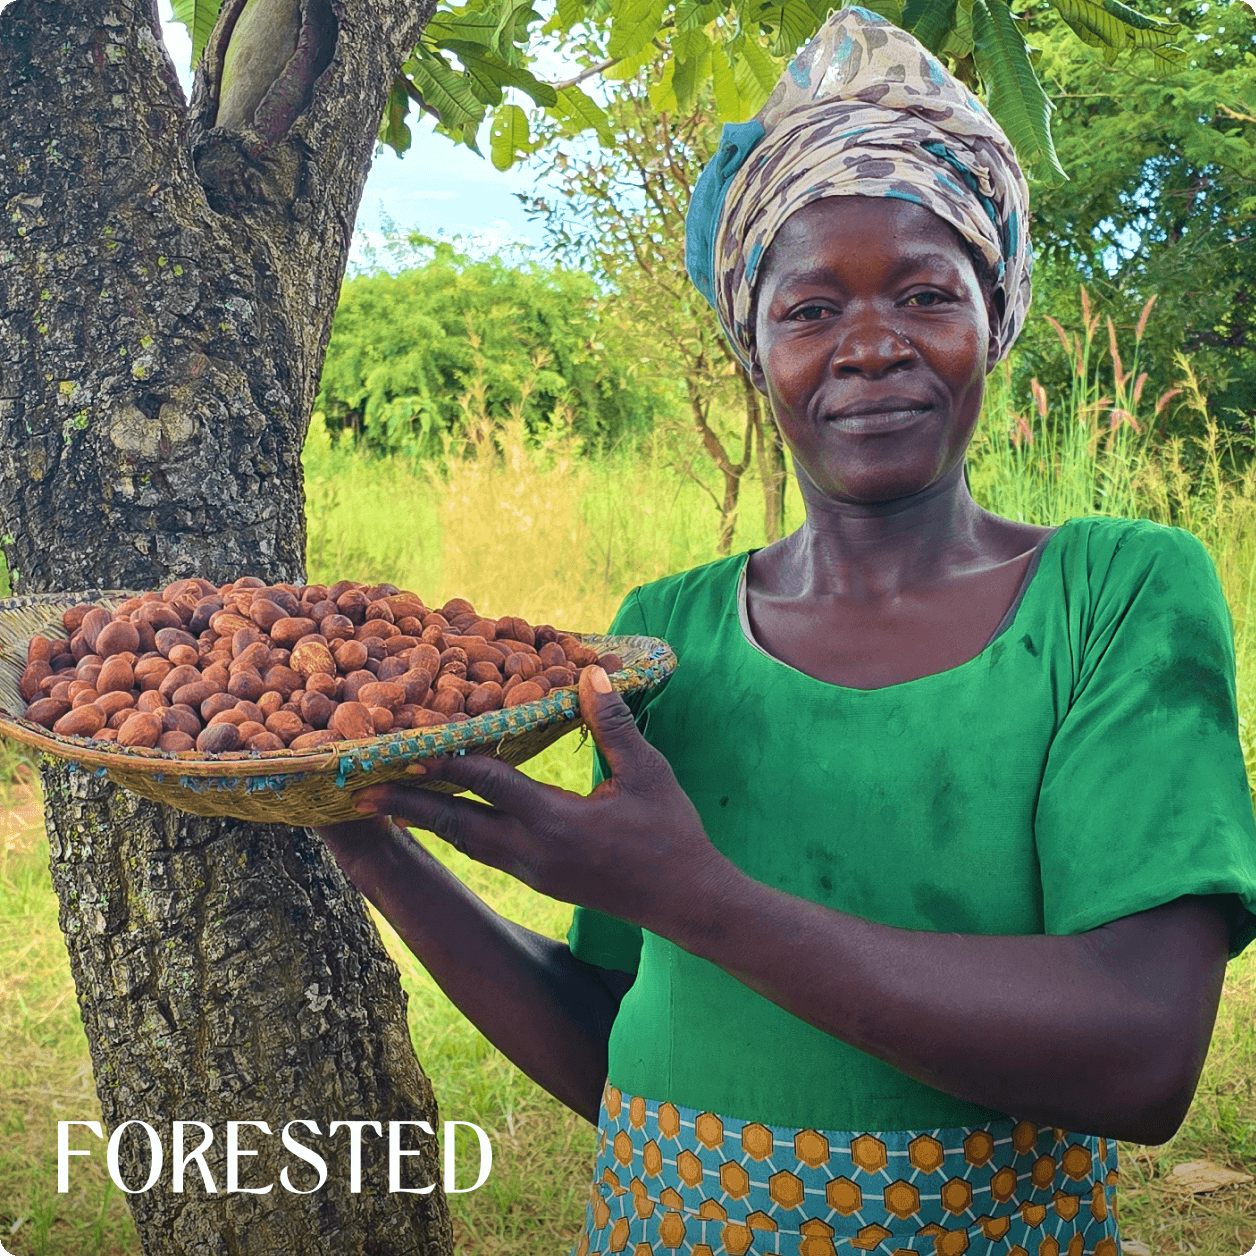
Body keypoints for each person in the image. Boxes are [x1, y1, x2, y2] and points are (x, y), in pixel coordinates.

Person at [315, 9, 1256, 1253]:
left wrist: (694, 894)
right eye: (808, 309)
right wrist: (367, 837)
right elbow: (618, 1043)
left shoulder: (1111, 596)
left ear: (994, 318)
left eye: (926, 291)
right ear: (751, 349)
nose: (869, 344)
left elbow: (1137, 1057)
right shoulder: (662, 636)